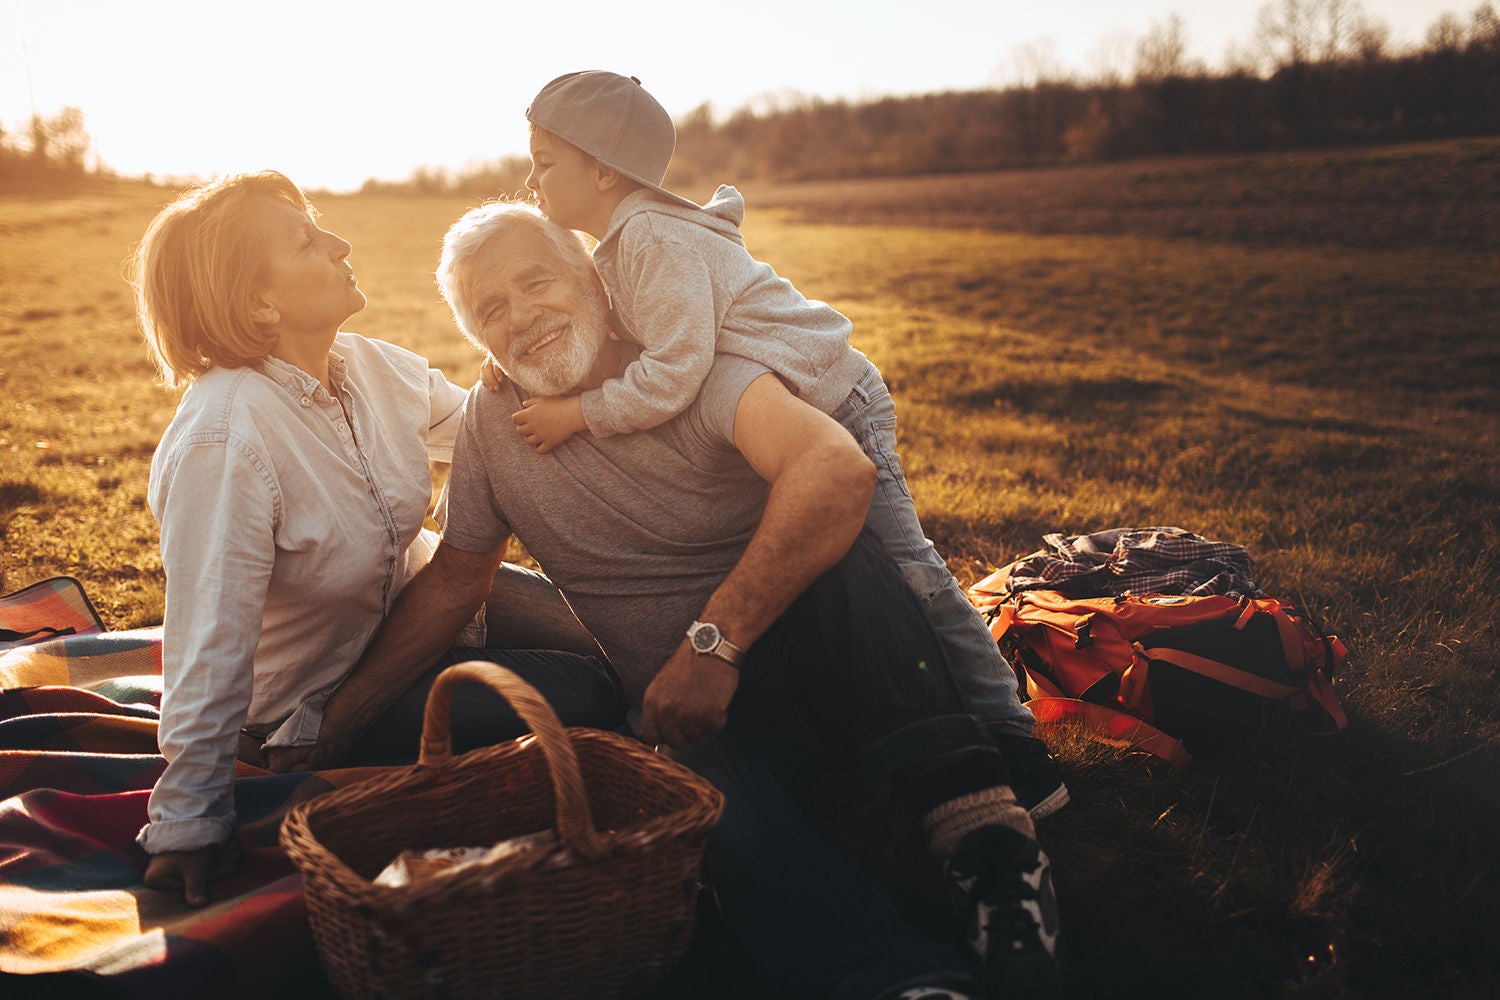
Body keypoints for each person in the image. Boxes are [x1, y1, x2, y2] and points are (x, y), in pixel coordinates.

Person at [287, 202, 1062, 999]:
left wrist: (712, 647)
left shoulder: (688, 367)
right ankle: (899, 981)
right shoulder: (495, 427)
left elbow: (835, 471)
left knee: (843, 552)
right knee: (724, 822)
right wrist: (340, 719)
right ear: (479, 341)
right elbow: (456, 578)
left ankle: (988, 849)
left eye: (536, 281)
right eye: (492, 309)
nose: (522, 316)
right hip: (695, 722)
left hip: (829, 673)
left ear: (592, 277)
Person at [511, 72, 1060, 815]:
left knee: (909, 571)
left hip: (837, 403)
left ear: (603, 168)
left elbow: (675, 371)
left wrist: (581, 413)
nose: (530, 178)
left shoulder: (648, 237)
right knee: (863, 573)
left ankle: (1011, 733)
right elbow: (615, 323)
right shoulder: (624, 239)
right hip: (789, 409)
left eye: (544, 162)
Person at [127, 171, 624, 908]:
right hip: (316, 700)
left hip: (421, 609)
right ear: (259, 302)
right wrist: (187, 819)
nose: (340, 243)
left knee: (618, 642)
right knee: (586, 694)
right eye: (306, 241)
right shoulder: (225, 440)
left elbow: (492, 435)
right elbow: (208, 641)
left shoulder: (370, 366)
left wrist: (533, 359)